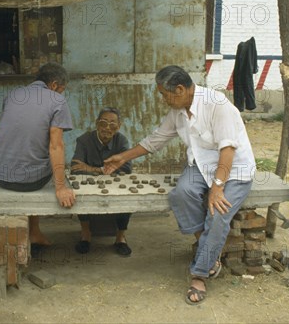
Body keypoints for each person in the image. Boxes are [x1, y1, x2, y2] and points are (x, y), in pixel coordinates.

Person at [104, 65, 255, 305]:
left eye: (164, 94)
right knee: (180, 195)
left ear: (181, 89)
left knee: (217, 214)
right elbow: (156, 139)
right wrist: (123, 157)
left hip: (233, 169)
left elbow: (227, 149)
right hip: (201, 166)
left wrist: (217, 188)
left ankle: (199, 274)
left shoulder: (218, 105)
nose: (163, 99)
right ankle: (207, 249)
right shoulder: (178, 110)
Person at [0, 62, 76, 247]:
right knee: (51, 158)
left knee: (31, 153)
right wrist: (60, 188)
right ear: (53, 85)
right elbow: (56, 146)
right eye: (61, 89)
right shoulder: (57, 100)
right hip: (30, 181)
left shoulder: (12, 95)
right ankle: (34, 231)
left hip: (0, 175)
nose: (61, 93)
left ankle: (34, 232)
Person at [71, 107, 133, 256]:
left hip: (115, 184)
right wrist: (105, 170)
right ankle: (86, 234)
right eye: (103, 123)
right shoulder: (84, 140)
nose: (107, 128)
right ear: (97, 124)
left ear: (118, 127)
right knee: (79, 192)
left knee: (127, 196)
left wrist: (93, 169)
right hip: (89, 185)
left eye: (112, 125)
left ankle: (120, 237)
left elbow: (126, 168)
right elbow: (76, 168)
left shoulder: (121, 141)